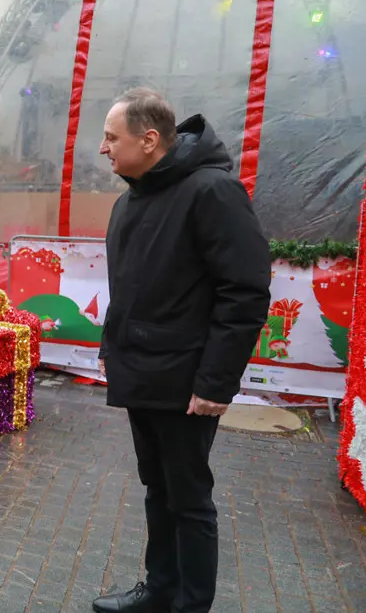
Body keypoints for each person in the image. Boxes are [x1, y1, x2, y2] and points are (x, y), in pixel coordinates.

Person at [92, 88, 271, 613]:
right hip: (142, 372)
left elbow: (245, 291)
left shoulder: (212, 192)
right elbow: (129, 287)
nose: (103, 148)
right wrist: (111, 346)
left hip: (187, 383)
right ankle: (160, 589)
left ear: (149, 140)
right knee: (157, 488)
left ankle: (192, 604)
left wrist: (215, 383)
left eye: (111, 137)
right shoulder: (132, 198)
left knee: (189, 499)